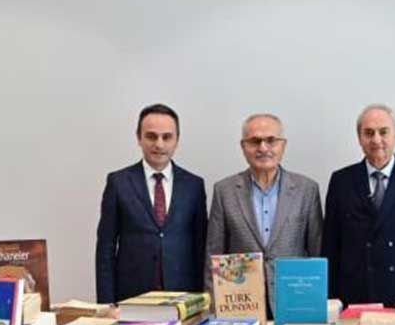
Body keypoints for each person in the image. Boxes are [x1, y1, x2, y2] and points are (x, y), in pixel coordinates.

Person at [322, 104, 395, 306]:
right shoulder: (341, 181)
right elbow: (330, 246)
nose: (376, 140)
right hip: (355, 295)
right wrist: (330, 300)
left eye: (383, 132)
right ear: (359, 138)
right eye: (368, 133)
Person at [206, 113, 323, 313]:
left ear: (283, 145)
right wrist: (213, 310)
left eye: (271, 140)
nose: (263, 148)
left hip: (293, 301)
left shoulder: (307, 189)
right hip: (241, 303)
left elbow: (317, 252)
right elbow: (214, 255)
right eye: (254, 141)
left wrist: (317, 306)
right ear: (243, 146)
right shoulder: (224, 191)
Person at [95, 103, 208, 304]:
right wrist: (106, 304)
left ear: (177, 140)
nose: (159, 144)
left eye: (167, 137)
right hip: (131, 298)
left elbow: (201, 247)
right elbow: (106, 248)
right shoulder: (118, 183)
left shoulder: (194, 185)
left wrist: (203, 299)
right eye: (151, 136)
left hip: (183, 297)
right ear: (139, 138)